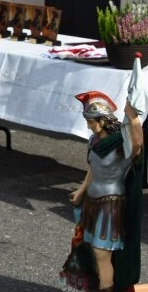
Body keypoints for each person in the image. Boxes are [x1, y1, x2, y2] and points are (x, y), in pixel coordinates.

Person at [60, 92, 143, 292]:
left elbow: (138, 144)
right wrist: (81, 190)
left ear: (102, 120)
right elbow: (93, 168)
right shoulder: (94, 141)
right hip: (92, 202)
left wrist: (133, 117)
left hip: (110, 205)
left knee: (101, 253)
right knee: (91, 249)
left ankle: (107, 288)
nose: (88, 125)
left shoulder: (121, 145)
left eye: (90, 121)